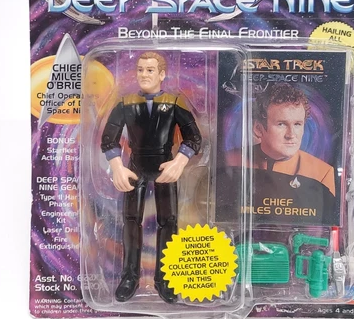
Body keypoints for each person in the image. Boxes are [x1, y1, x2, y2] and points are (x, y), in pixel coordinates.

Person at [101, 52, 202, 303]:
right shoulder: (126, 103)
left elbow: (193, 137)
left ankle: (165, 277)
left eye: (150, 70)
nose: (144, 75)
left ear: (162, 74)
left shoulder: (175, 102)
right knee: (130, 221)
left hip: (164, 165)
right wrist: (117, 166)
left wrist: (179, 161)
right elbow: (109, 139)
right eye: (140, 69)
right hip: (134, 165)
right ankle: (129, 276)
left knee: (169, 221)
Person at [223, 83, 336, 225]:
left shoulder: (323, 173)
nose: (291, 135)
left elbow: (325, 225)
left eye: (297, 124)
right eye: (281, 124)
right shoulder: (229, 162)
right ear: (258, 129)